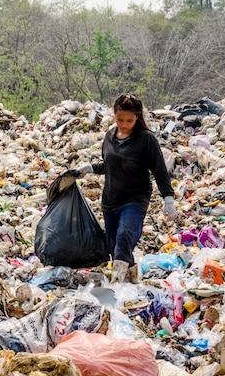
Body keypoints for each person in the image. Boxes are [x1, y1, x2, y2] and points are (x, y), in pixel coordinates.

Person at [75, 93, 177, 283]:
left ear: (138, 117)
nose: (124, 124)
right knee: (115, 247)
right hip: (111, 199)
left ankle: (116, 286)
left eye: (129, 120)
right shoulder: (110, 137)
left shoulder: (146, 139)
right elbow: (110, 165)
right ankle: (133, 282)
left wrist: (168, 198)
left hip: (135, 199)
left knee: (124, 237)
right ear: (114, 115)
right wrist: (89, 169)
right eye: (120, 119)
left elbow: (159, 170)